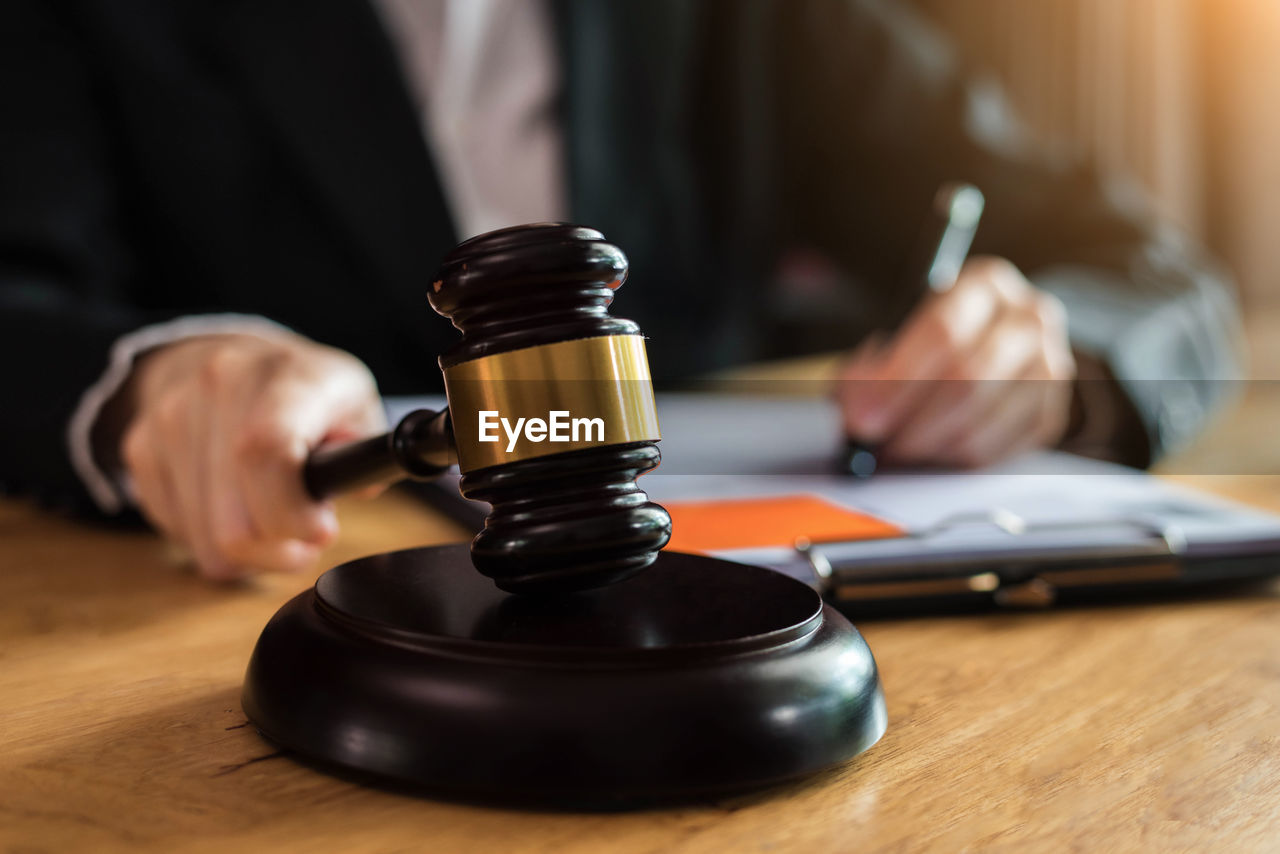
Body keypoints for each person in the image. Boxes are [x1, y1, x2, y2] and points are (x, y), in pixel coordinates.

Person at [0, 0, 1241, 580]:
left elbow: (1157, 270)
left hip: (719, 584)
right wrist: (147, 376)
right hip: (268, 588)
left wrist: (1054, 360)